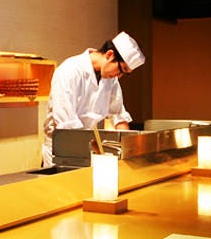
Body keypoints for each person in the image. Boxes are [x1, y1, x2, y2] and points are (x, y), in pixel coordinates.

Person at [41, 31, 146, 167]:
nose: (119, 76)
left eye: (125, 74)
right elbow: (67, 124)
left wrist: (129, 151)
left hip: (86, 147)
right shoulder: (70, 70)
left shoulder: (111, 79)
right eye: (121, 70)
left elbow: (119, 116)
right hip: (61, 148)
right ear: (109, 55)